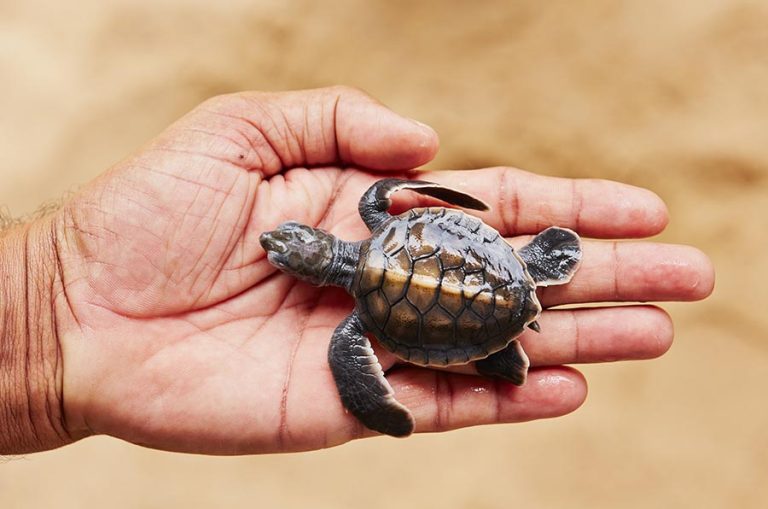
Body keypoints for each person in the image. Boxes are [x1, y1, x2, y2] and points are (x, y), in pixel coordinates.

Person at [0, 86, 714, 455]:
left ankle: (505, 342)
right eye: (290, 247)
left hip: (438, 290)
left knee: (479, 344)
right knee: (502, 296)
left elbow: (363, 373)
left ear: (317, 265)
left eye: (290, 245)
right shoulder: (383, 215)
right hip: (456, 252)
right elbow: (422, 203)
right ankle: (518, 302)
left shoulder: (356, 327)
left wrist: (48, 306)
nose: (282, 246)